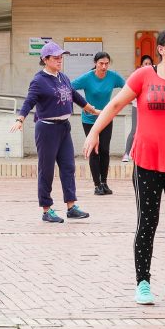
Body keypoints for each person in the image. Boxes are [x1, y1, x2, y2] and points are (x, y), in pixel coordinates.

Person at [83, 28, 165, 305]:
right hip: (147, 161)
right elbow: (116, 104)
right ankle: (143, 282)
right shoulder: (144, 76)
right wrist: (94, 132)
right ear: (161, 49)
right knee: (147, 222)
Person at [11, 41, 97, 223]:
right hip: (47, 129)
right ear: (45, 59)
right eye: (56, 58)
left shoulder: (63, 77)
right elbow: (29, 101)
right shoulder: (39, 80)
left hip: (64, 127)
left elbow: (74, 95)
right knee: (47, 170)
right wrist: (20, 119)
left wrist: (91, 109)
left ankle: (71, 206)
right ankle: (46, 209)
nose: (60, 60)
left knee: (68, 166)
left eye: (61, 57)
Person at [72, 51, 126, 195]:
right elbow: (69, 88)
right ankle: (97, 185)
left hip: (106, 118)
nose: (104, 66)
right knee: (94, 151)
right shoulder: (87, 78)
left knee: (105, 150)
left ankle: (104, 183)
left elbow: (128, 88)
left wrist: (117, 103)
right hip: (89, 120)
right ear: (95, 63)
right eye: (101, 63)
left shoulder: (113, 76)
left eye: (106, 64)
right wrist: (84, 105)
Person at [122, 55, 153, 162]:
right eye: (146, 63)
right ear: (141, 65)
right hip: (137, 106)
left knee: (149, 131)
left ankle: (146, 155)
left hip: (150, 108)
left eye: (150, 64)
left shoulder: (155, 76)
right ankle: (126, 153)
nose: (148, 66)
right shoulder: (136, 75)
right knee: (135, 130)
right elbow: (129, 89)